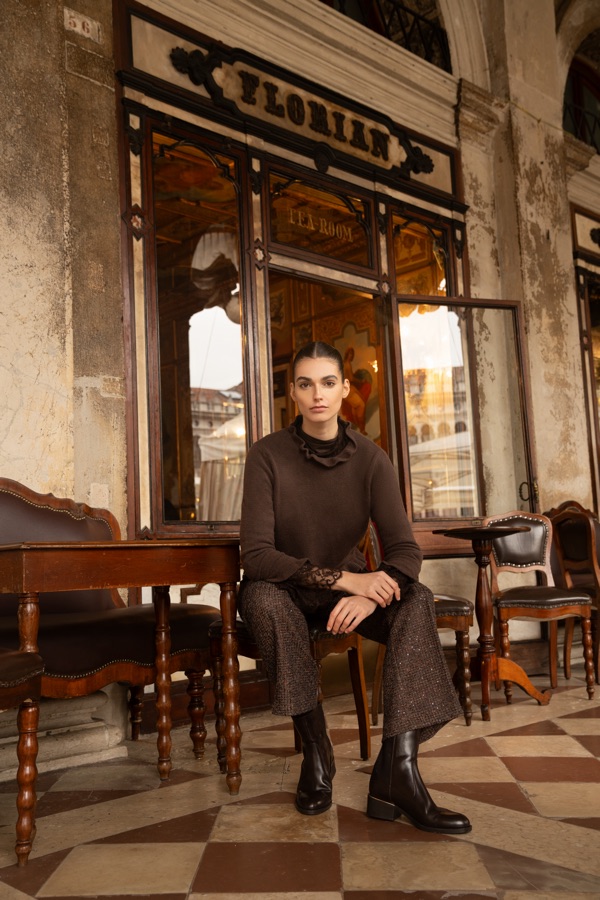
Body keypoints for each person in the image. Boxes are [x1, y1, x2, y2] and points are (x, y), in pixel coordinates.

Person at [238, 340, 471, 834]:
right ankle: (316, 749)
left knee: (417, 599)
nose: (317, 394)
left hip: (346, 595)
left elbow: (405, 550)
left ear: (345, 388)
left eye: (328, 383)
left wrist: (368, 594)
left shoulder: (370, 458)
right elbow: (256, 556)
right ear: (293, 392)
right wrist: (348, 579)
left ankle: (398, 769)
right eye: (305, 384)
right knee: (263, 599)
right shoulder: (266, 455)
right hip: (282, 588)